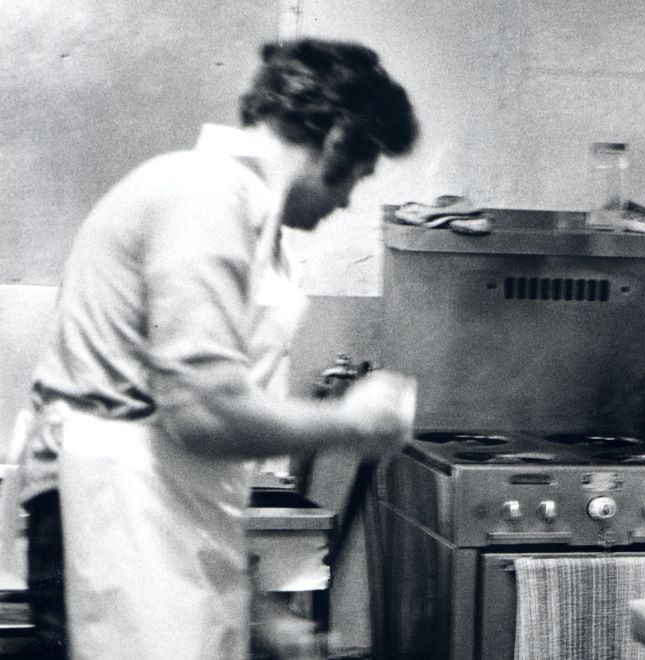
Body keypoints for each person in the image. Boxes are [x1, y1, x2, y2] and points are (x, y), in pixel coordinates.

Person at [8, 38, 420, 659]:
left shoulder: (241, 216)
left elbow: (187, 461)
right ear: (338, 140)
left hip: (145, 510)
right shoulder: (205, 194)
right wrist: (350, 420)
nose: (346, 202)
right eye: (359, 177)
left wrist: (257, 615)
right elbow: (202, 413)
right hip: (107, 507)